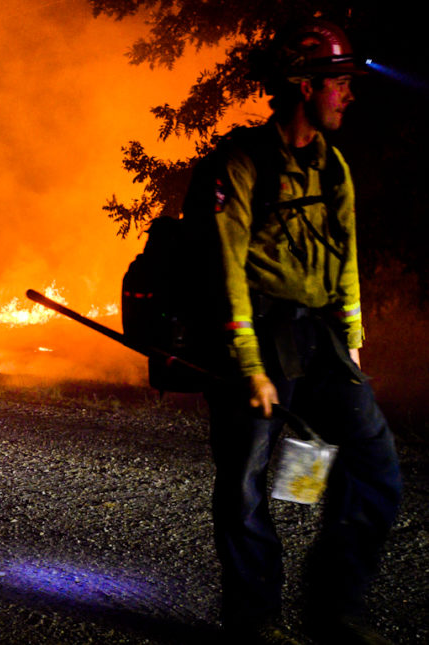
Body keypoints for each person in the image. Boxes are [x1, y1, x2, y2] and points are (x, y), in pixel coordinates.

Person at [200, 19, 401, 645]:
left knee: (374, 464)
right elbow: (227, 269)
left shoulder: (333, 167)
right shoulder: (242, 163)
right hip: (260, 339)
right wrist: (249, 365)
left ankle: (333, 612)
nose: (349, 94)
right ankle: (253, 621)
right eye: (339, 82)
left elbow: (347, 258)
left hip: (320, 340)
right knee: (246, 481)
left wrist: (353, 339)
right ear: (305, 85)